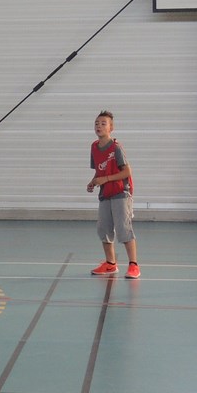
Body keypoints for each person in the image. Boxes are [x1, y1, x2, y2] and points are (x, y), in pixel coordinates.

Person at [87, 110, 139, 279]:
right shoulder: (94, 147)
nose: (99, 126)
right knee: (104, 229)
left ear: (111, 128)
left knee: (124, 229)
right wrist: (93, 182)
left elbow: (127, 172)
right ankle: (110, 264)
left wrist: (106, 179)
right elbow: (99, 170)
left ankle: (133, 265)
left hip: (120, 192)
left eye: (103, 123)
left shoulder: (116, 148)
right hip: (105, 193)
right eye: (96, 123)